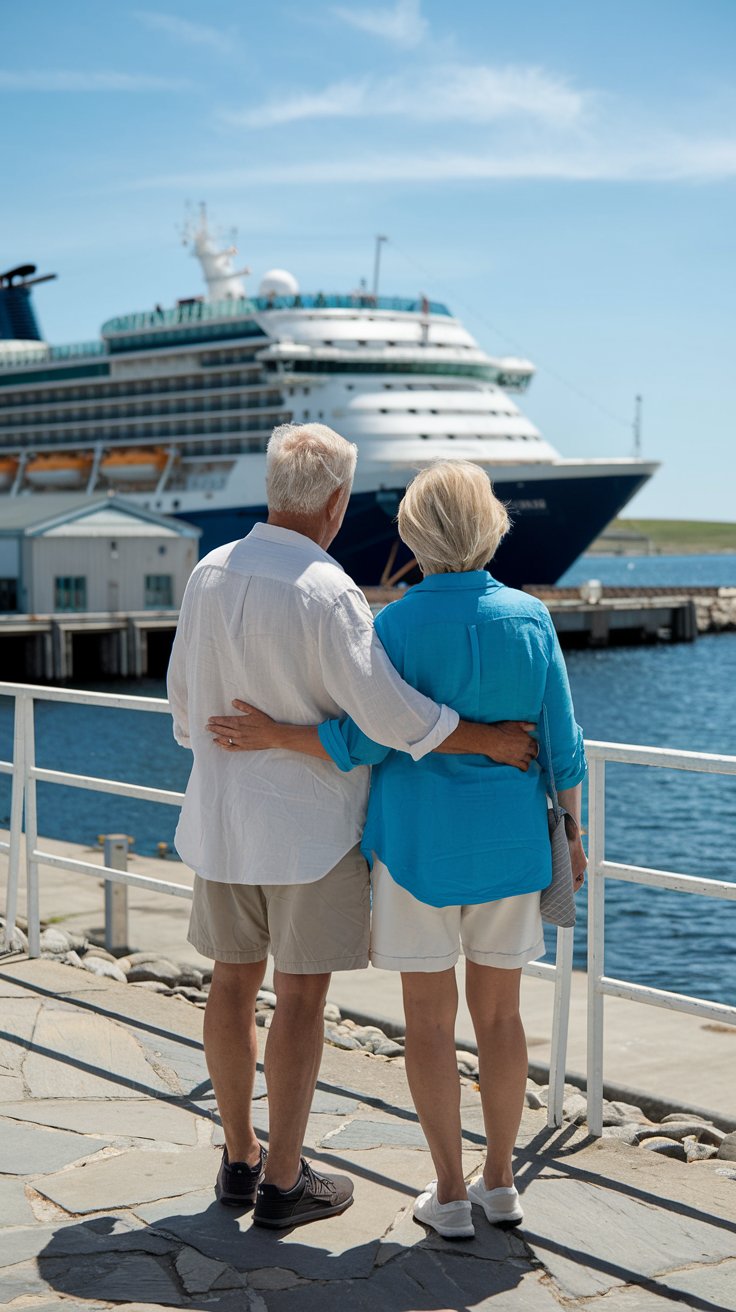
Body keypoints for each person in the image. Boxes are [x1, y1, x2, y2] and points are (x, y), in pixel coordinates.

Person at [167, 428, 538, 1231]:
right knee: (300, 1000)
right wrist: (490, 740)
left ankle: (239, 1161)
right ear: (337, 503)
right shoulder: (328, 590)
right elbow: (389, 718)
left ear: (272, 487)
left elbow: (184, 711)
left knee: (231, 985)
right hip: (311, 832)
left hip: (222, 823)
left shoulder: (206, 573)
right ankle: (285, 1181)